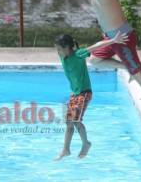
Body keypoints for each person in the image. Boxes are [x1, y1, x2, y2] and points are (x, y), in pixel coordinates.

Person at [54, 32, 128, 161]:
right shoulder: (63, 56)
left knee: (76, 121)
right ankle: (66, 149)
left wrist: (114, 40)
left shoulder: (78, 55)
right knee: (69, 123)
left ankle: (86, 144)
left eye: (59, 49)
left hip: (84, 92)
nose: (58, 52)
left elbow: (95, 47)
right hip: (74, 93)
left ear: (67, 48)